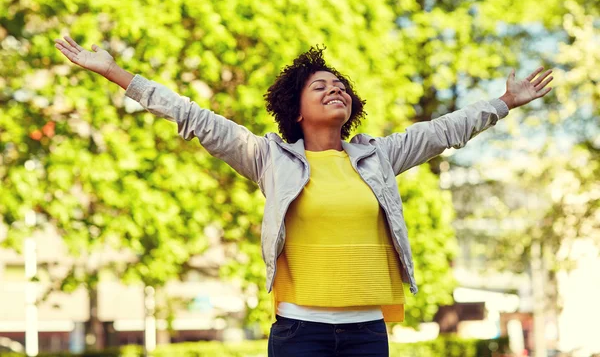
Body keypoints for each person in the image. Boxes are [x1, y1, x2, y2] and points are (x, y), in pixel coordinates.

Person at [55, 36, 553, 357]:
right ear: (296, 109)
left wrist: (504, 102)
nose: (336, 90)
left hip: (366, 334)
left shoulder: (380, 156)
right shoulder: (268, 159)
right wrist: (116, 73)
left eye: (341, 87)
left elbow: (446, 130)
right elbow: (193, 117)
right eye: (322, 85)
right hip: (300, 335)